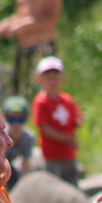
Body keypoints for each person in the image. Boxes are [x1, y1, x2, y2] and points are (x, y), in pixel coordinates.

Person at [0, 0, 63, 95]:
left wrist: (23, 26)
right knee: (19, 95)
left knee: (42, 96)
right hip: (23, 48)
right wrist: (7, 24)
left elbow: (51, 19)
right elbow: (20, 14)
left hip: (42, 48)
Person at [32, 56, 81, 186]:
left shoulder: (67, 100)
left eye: (56, 78)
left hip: (69, 153)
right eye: (48, 78)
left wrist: (77, 122)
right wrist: (67, 139)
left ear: (62, 80)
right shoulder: (41, 102)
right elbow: (44, 128)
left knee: (72, 185)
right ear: (40, 80)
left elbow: (74, 119)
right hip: (51, 155)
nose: (52, 82)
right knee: (54, 186)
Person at [2, 95, 36, 188]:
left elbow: (26, 165)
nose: (16, 124)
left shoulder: (28, 137)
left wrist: (22, 187)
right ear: (5, 119)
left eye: (20, 119)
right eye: (11, 119)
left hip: (11, 165)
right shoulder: (1, 136)